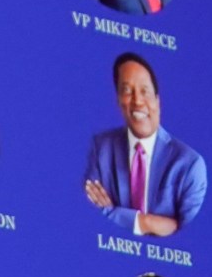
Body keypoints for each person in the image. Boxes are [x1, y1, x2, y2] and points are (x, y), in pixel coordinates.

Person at [82, 52, 205, 235]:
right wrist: (146, 221)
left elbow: (188, 235)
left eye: (145, 91)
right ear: (118, 100)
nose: (137, 101)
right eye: (127, 91)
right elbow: (90, 213)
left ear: (158, 101)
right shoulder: (100, 148)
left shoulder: (190, 164)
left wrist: (114, 212)